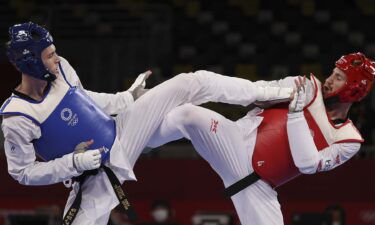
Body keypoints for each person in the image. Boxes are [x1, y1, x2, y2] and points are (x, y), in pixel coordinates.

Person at [0, 22, 294, 225]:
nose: (56, 58)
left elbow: (85, 99)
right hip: (95, 175)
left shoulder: (61, 68)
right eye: (48, 55)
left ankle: (268, 91)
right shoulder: (17, 117)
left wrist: (127, 98)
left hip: (124, 130)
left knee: (190, 83)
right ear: (30, 62)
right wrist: (75, 163)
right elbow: (23, 173)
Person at [146, 52, 375, 225]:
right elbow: (255, 91)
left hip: (259, 187)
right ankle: (132, 139)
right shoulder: (305, 86)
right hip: (234, 143)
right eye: (332, 73)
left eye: (338, 78)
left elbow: (307, 164)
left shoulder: (348, 140)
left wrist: (296, 115)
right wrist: (263, 97)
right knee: (187, 114)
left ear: (354, 89)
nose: (329, 80)